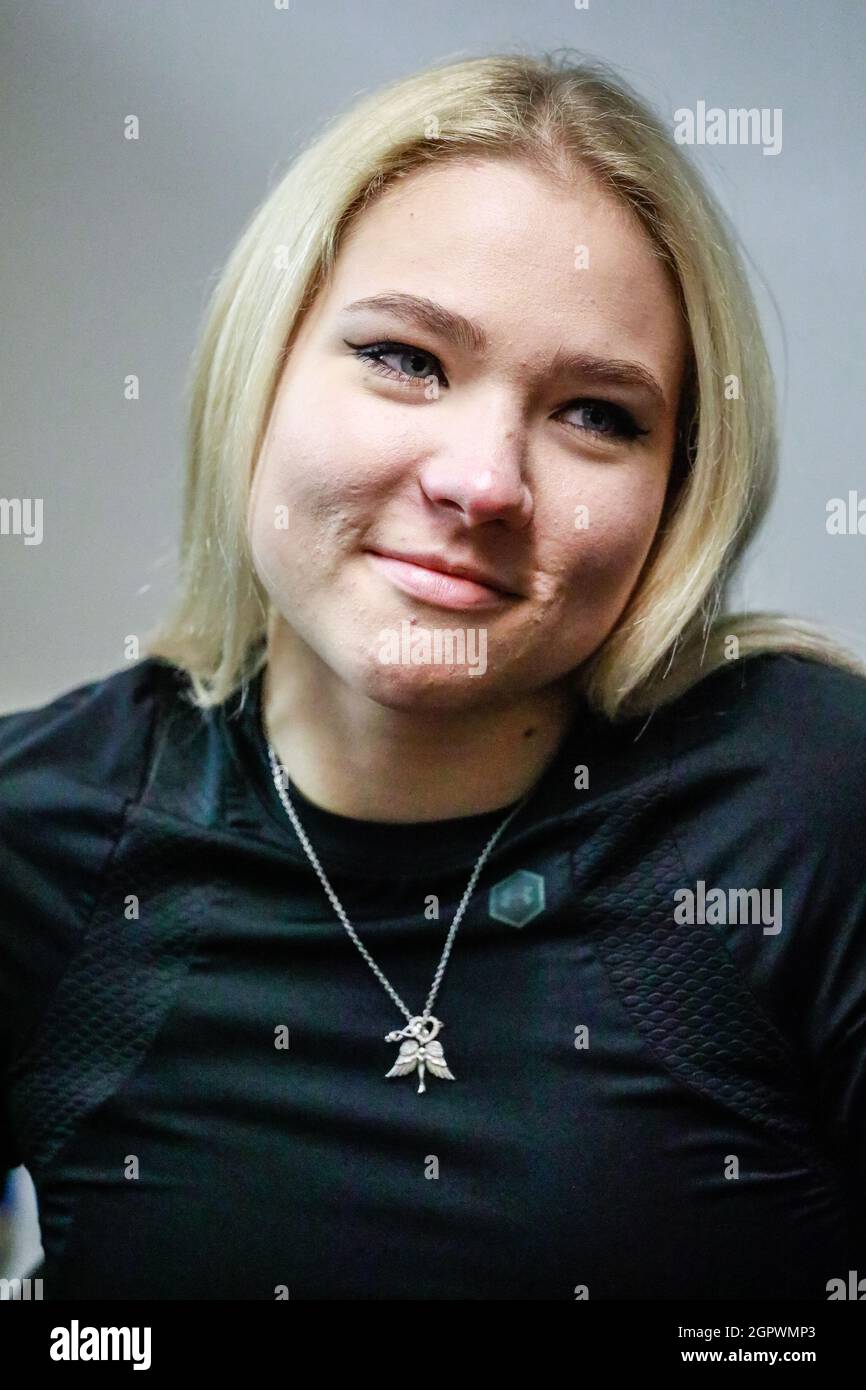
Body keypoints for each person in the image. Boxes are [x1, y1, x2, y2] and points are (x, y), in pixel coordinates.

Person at [1, 50, 864, 1301]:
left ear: (676, 493)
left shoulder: (809, 812)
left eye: (595, 415)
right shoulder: (40, 838)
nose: (483, 479)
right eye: (407, 358)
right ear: (263, 367)